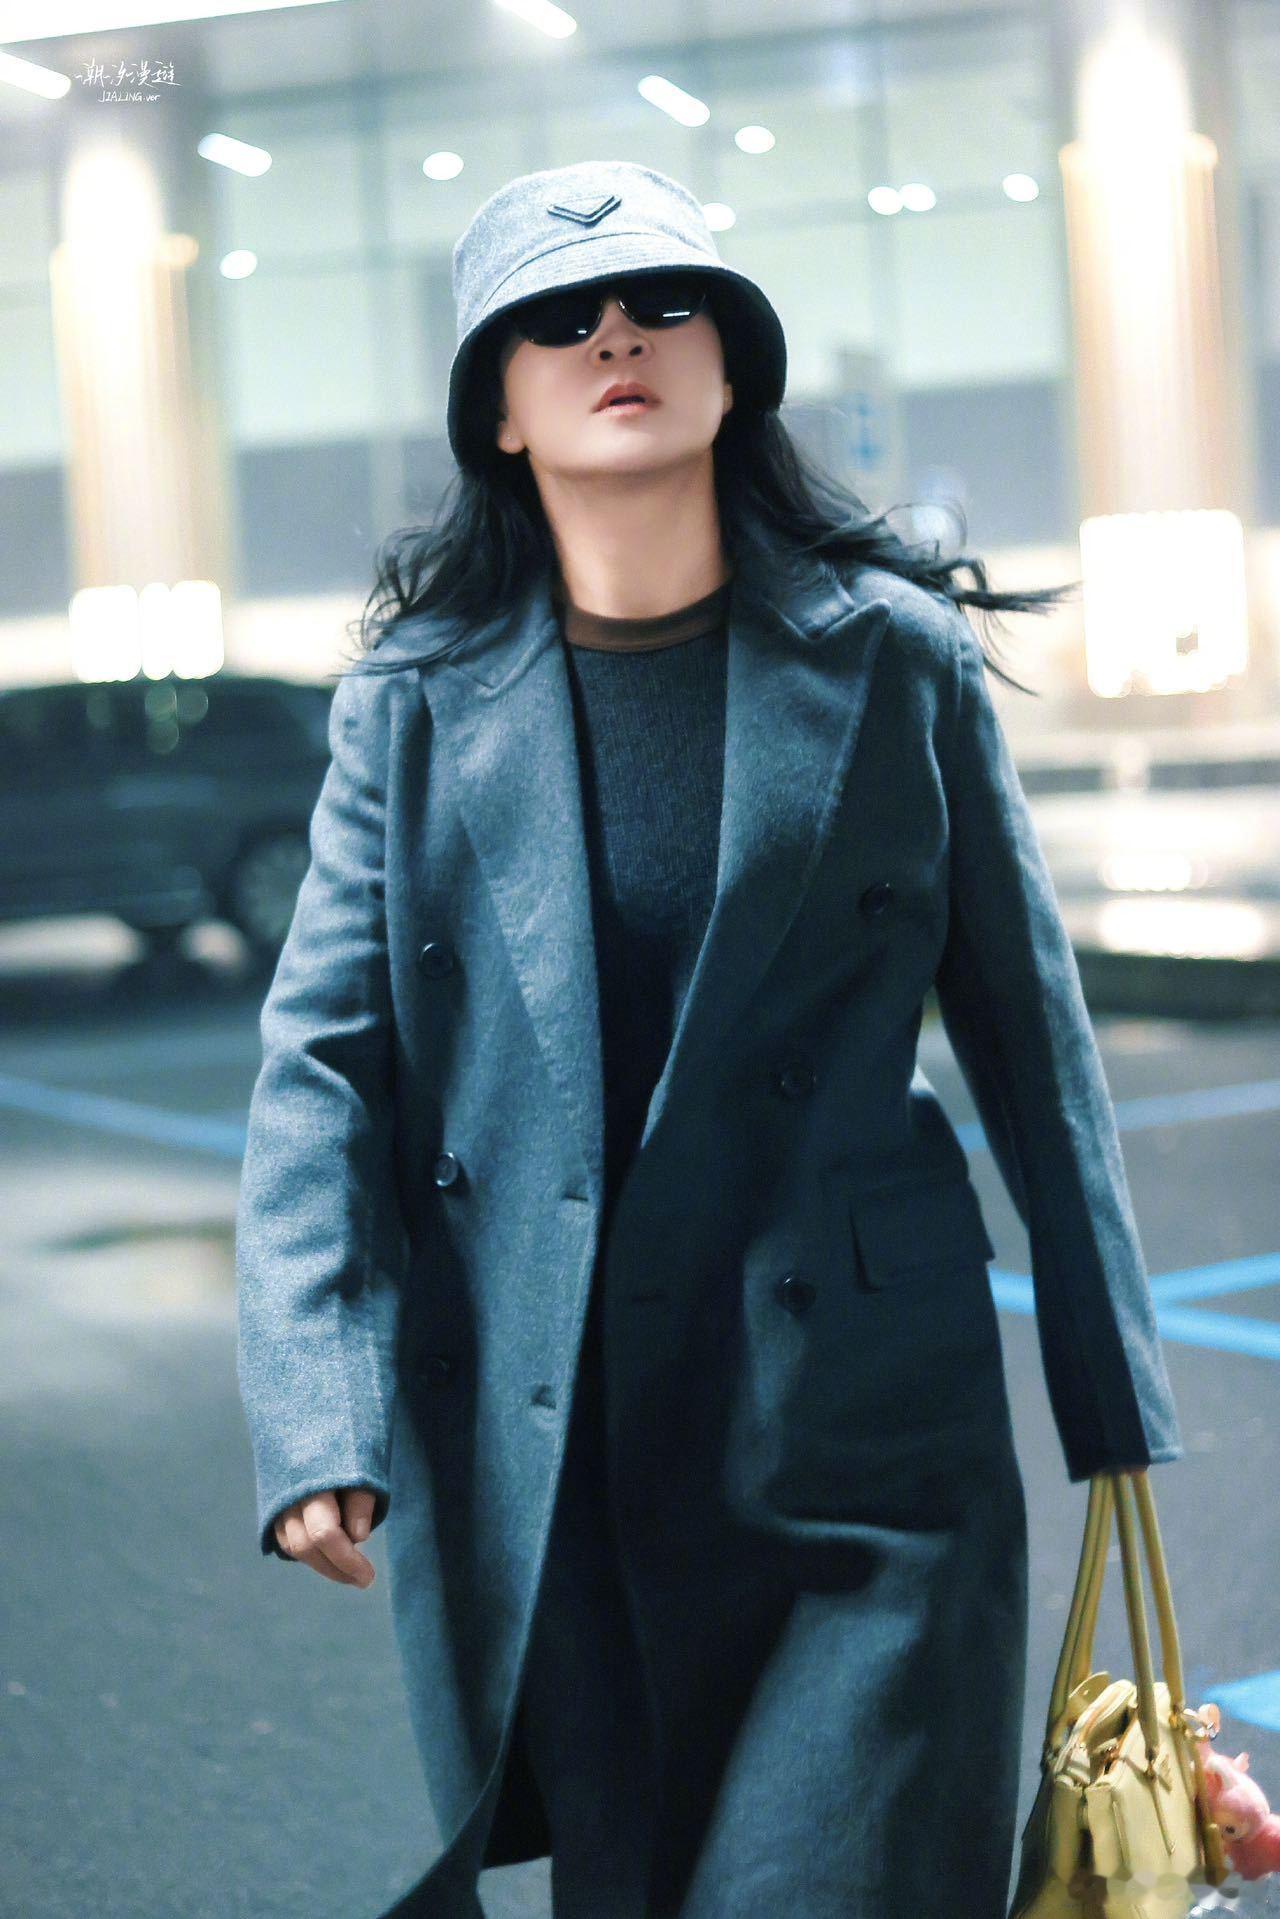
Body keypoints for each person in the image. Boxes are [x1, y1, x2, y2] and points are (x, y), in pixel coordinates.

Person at [235, 160, 1185, 1918]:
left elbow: (1028, 1035)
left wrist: (1107, 1388)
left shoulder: (892, 658)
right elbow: (323, 1070)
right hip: (561, 1430)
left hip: (862, 1431)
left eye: (665, 305)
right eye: (558, 320)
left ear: (733, 368)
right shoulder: (415, 705)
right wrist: (316, 1409)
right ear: (499, 412)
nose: (617, 335)